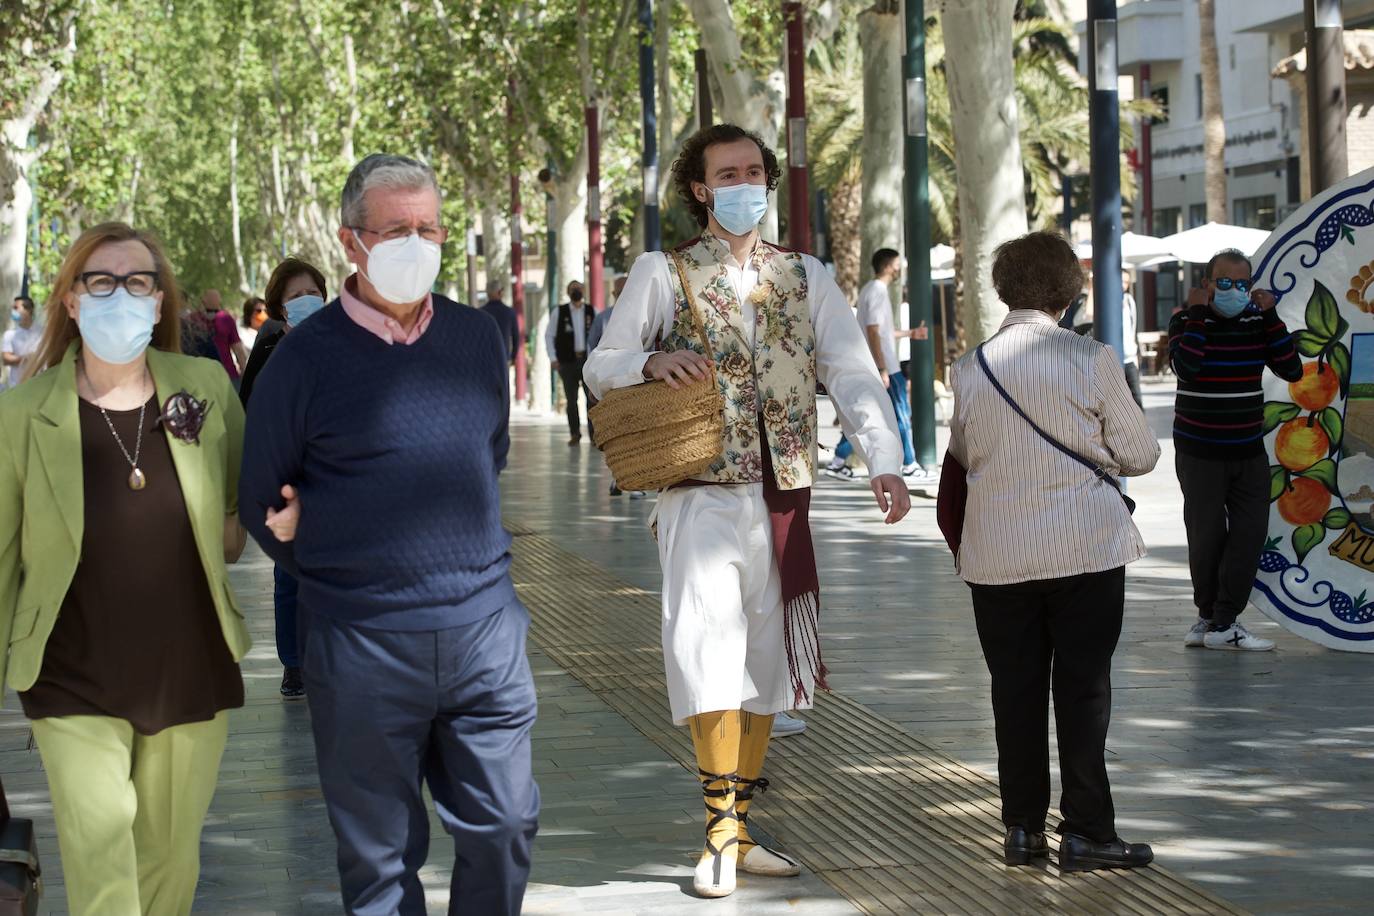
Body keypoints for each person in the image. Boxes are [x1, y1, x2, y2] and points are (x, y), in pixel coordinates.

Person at [585, 123, 908, 898]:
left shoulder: (806, 275)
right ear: (699, 189)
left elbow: (851, 370)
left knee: (766, 669)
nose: (745, 183)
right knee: (706, 657)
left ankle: (740, 825)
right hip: (697, 496)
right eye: (727, 172)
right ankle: (720, 830)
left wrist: (884, 460)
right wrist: (649, 360)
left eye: (755, 171)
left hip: (784, 496)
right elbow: (602, 363)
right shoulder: (664, 272)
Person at [239, 153, 538, 915]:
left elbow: (486, 455)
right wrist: (338, 553)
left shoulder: (476, 339)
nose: (418, 242)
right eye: (397, 229)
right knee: (378, 867)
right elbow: (260, 504)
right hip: (360, 641)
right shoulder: (300, 360)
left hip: (483, 634)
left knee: (505, 825)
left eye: (429, 228)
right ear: (352, 242)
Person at [0, 222, 250, 915]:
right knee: (102, 867)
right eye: (101, 281)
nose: (122, 295)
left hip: (189, 666)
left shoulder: (204, 389)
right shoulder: (23, 415)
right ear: (72, 301)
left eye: (139, 281)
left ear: (160, 300)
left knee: (170, 865)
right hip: (70, 673)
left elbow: (234, 527)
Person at [948, 231, 1160, 874]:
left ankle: (1021, 830)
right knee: (1083, 690)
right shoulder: (1091, 358)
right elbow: (1142, 455)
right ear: (1071, 291)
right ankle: (1088, 831)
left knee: (1013, 691)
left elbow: (963, 453)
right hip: (1085, 550)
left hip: (997, 555)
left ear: (1003, 289)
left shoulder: (970, 367)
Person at [1169, 249, 1302, 651]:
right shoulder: (1186, 321)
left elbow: (1292, 370)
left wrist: (1271, 316)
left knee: (1249, 536)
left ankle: (1224, 620)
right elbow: (1187, 366)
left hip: (1247, 451)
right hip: (1200, 451)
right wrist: (1195, 314)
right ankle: (1210, 617)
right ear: (1207, 284)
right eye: (1224, 282)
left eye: (1242, 284)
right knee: (1206, 537)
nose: (1233, 290)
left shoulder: (1256, 323)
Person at [238, 257, 330, 700]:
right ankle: (294, 663)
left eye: (311, 292)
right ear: (280, 306)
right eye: (295, 296)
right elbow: (249, 405)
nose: (305, 301)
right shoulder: (271, 346)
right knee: (289, 575)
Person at [824, 250, 935, 481]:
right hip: (886, 368)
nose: (899, 269)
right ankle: (909, 464)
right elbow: (874, 331)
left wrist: (910, 333)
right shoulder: (877, 291)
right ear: (887, 266)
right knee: (901, 415)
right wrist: (882, 367)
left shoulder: (871, 290)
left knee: (871, 417)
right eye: (896, 264)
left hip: (880, 365)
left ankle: (837, 461)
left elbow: (880, 331)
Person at [588, 275, 644, 499]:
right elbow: (594, 353)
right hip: (613, 389)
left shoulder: (646, 314)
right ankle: (619, 478)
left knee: (637, 434)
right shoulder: (603, 318)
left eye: (625, 291)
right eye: (617, 293)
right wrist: (594, 385)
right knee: (617, 436)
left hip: (639, 386)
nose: (621, 297)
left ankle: (634, 481)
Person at [546, 279, 594, 445]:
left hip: (588, 362)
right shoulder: (559, 312)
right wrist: (553, 358)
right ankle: (575, 433)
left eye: (579, 288)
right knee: (571, 400)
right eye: (573, 289)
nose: (576, 291)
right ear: (568, 292)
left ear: (584, 291)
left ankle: (595, 435)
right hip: (567, 363)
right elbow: (549, 336)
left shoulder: (592, 311)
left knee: (592, 399)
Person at [203, 289, 248, 383]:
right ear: (203, 299)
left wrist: (244, 371)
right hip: (204, 375)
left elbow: (237, 348)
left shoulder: (226, 319)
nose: (213, 300)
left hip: (228, 374)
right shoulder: (194, 319)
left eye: (215, 297)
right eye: (210, 297)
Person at [2, 295, 40, 389]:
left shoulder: (43, 332)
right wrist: (26, 358)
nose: (13, 311)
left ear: (28, 310)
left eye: (16, 308)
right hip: (16, 386)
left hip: (39, 384)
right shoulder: (10, 334)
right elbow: (6, 359)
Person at [482, 280, 520, 367]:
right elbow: (516, 337)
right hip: (503, 358)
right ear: (500, 292)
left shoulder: (481, 313)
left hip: (485, 359)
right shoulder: (509, 312)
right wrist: (513, 357)